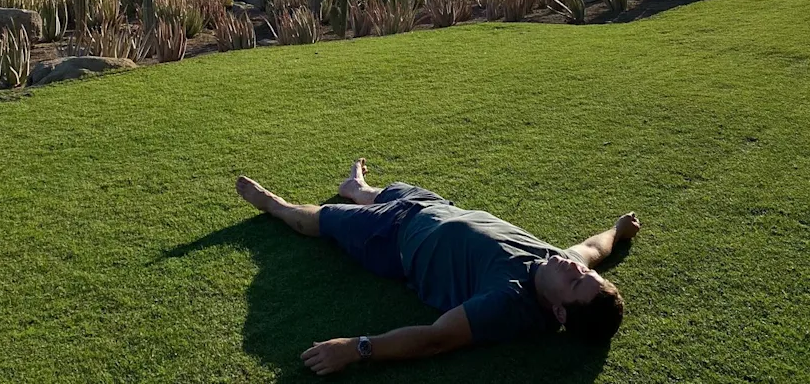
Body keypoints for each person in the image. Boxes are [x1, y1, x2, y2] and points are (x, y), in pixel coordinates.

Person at [236, 158, 641, 377]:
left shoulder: (508, 303)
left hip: (394, 239)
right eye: (587, 274)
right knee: (372, 193)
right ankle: (356, 188)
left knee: (319, 220)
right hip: (435, 207)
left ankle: (276, 206)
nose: (577, 269)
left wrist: (358, 348)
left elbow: (436, 338)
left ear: (558, 310)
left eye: (576, 281)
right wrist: (619, 231)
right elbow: (593, 247)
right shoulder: (567, 266)